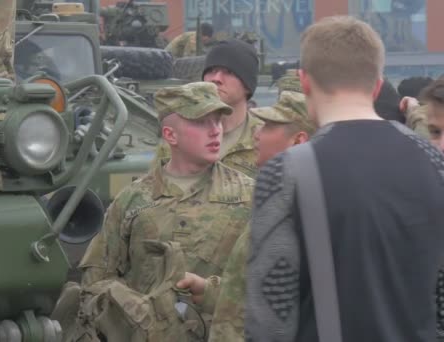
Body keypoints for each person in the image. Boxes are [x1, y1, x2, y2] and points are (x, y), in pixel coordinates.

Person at [243, 16, 444, 342]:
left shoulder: (285, 173)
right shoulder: (434, 162)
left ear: (304, 82)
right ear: (377, 85)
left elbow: (269, 321)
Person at [76, 82, 255, 340]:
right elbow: (95, 280)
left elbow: (270, 286)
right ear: (171, 136)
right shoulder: (134, 200)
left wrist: (211, 291)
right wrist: (129, 306)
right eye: (201, 123)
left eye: (217, 121)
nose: (215, 131)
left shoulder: (249, 196)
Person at [175, 86, 316, 342]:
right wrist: (208, 290)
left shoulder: (301, 213)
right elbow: (256, 292)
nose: (257, 134)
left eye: (269, 127)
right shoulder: (279, 201)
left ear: (299, 141)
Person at [155, 39, 264, 178]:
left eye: (229, 72)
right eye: (211, 71)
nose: (216, 78)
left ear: (248, 85)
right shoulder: (178, 137)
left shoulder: (265, 140)